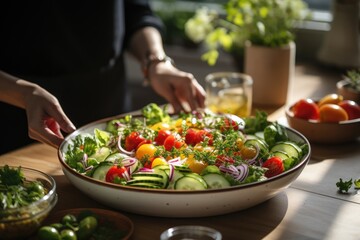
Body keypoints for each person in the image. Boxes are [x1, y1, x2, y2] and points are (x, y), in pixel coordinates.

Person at [0, 1, 206, 154]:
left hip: (109, 98)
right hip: (19, 113)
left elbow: (135, 11)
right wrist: (23, 94)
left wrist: (156, 63)